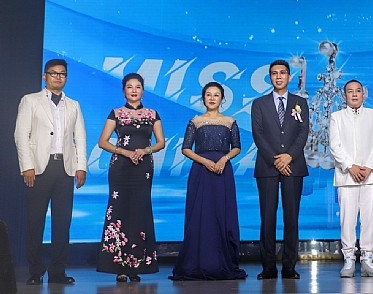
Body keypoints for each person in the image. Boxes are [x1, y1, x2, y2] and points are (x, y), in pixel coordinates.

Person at [13, 58, 87, 285]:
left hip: (64, 168)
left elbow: (80, 138)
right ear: (45, 76)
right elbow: (20, 135)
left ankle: (58, 272)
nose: (58, 77)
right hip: (39, 168)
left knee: (62, 223)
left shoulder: (73, 104)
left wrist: (81, 166)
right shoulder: (30, 100)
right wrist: (27, 166)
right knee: (35, 221)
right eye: (54, 73)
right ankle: (35, 271)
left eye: (62, 73)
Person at [170, 82, 247, 281]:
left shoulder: (230, 121)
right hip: (201, 172)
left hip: (223, 172)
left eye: (216, 95)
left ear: (222, 99)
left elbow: (237, 147)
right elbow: (186, 149)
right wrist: (205, 161)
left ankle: (222, 261)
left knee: (222, 214)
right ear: (203, 98)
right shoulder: (195, 121)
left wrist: (223, 159)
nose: (212, 98)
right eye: (208, 95)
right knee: (200, 215)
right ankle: (197, 261)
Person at [96, 73, 165, 283]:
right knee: (118, 211)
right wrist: (125, 152)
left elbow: (161, 142)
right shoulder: (116, 113)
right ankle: (119, 267)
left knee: (139, 212)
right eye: (129, 87)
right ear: (123, 90)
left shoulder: (152, 114)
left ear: (143, 90)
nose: (134, 90)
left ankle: (136, 265)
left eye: (138, 87)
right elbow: (102, 141)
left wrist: (145, 150)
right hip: (120, 167)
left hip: (143, 167)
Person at [251, 59, 310, 280]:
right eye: (274, 73)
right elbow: (258, 134)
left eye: (282, 73)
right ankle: (268, 267)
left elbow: (303, 132)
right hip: (267, 166)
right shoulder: (259, 104)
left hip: (293, 166)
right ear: (270, 77)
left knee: (291, 218)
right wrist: (277, 160)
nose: (278, 76)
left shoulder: (300, 102)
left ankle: (289, 267)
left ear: (289, 76)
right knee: (267, 218)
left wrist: (289, 157)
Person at [328, 79, 373, 278]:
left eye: (358, 91)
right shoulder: (336, 117)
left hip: (370, 176)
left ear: (363, 94)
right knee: (348, 219)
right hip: (346, 176)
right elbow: (335, 146)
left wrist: (368, 167)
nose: (354, 94)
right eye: (350, 91)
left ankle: (368, 259)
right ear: (344, 95)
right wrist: (350, 166)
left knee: (369, 219)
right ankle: (349, 259)